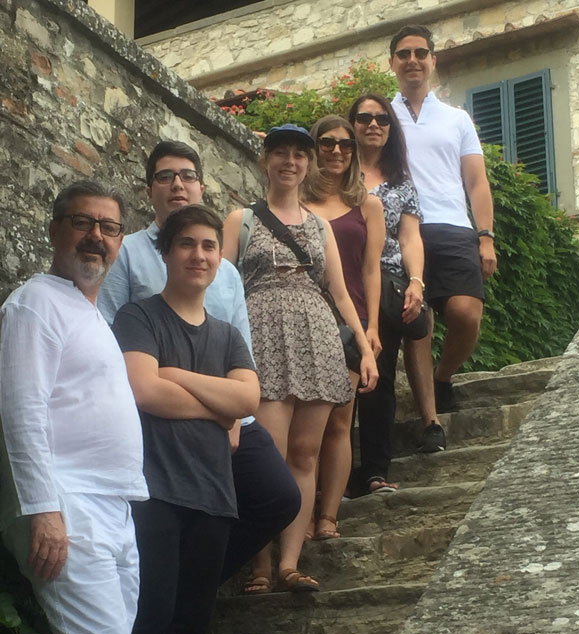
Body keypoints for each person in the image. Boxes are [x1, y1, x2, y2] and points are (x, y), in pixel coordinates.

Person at [0, 180, 148, 634]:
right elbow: (22, 407)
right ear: (56, 229)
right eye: (83, 223)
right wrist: (44, 510)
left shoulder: (90, 312)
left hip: (110, 506)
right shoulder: (34, 302)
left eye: (109, 227)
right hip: (68, 504)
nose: (97, 236)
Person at [98, 140, 301, 588]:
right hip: (157, 412)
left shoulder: (222, 269)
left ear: (201, 187)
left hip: (226, 411)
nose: (178, 184)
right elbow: (107, 337)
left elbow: (239, 349)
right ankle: (178, 601)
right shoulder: (128, 254)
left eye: (187, 175)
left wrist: (232, 415)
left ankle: (197, 588)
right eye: (166, 176)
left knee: (278, 497)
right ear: (150, 188)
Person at [107, 204, 259, 634]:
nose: (199, 255)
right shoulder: (138, 316)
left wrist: (185, 379)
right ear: (166, 253)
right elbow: (144, 391)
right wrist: (219, 401)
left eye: (209, 246)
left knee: (184, 630)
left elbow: (249, 396)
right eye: (187, 245)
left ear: (220, 259)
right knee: (146, 626)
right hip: (156, 494)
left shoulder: (226, 335)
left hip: (213, 497)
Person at [223, 123, 378, 591]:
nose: (289, 161)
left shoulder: (320, 226)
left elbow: (339, 291)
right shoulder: (241, 220)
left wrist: (365, 349)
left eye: (298, 154)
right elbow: (223, 287)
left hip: (317, 336)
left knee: (306, 454)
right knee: (268, 455)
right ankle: (259, 564)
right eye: (280, 153)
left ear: (307, 165)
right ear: (264, 160)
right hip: (262, 335)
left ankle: (289, 562)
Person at [389, 25, 497, 413]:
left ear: (433, 61)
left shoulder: (457, 119)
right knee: (418, 324)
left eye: (421, 53)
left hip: (453, 226)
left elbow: (477, 182)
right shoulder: (381, 117)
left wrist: (486, 236)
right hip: (400, 228)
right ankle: (429, 418)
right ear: (392, 63)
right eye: (404, 54)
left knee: (466, 312)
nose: (412, 60)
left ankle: (443, 376)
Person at [348, 93, 444, 493]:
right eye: (365, 117)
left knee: (378, 379)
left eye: (383, 119)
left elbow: (410, 239)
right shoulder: (336, 174)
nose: (374, 124)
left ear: (391, 129)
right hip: (339, 283)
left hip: (384, 284)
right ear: (351, 123)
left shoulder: (403, 185)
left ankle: (373, 470)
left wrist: (417, 282)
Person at [302, 114, 385, 532]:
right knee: (304, 426)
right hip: (301, 323)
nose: (337, 150)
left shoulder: (367, 205)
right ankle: (303, 508)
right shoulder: (296, 202)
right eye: (327, 143)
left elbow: (372, 269)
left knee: (339, 421)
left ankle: (329, 515)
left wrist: (371, 327)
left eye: (346, 144)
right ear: (314, 148)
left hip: (350, 323)